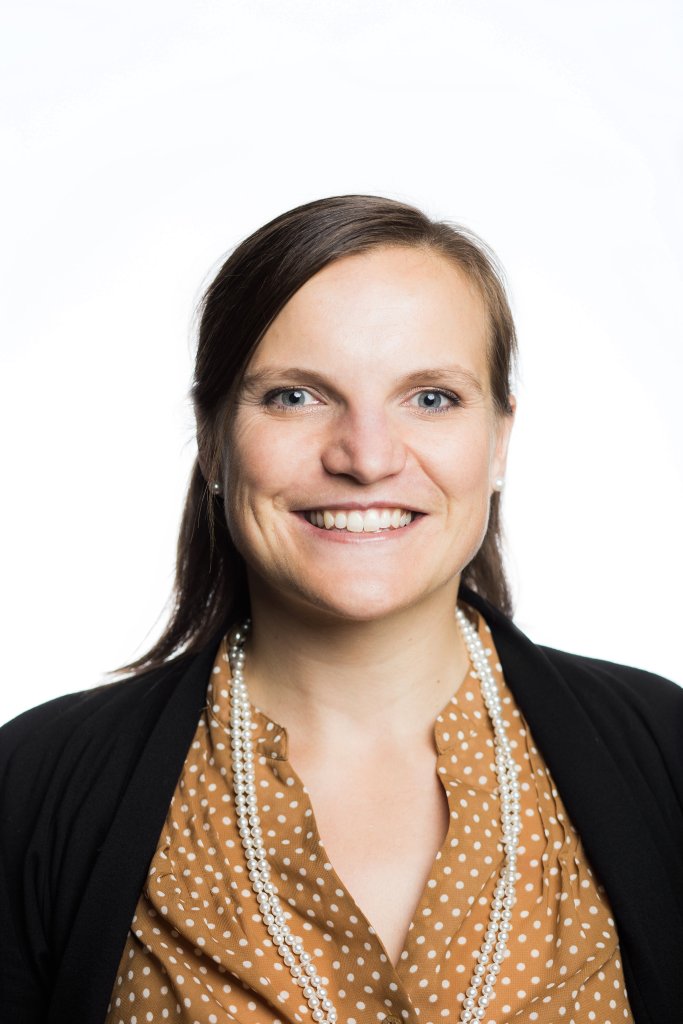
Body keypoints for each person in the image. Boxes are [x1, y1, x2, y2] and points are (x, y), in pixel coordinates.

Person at [1, 195, 681, 1024]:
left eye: (430, 398)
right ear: (212, 437)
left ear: (500, 439)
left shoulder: (666, 751)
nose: (365, 457)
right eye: (294, 396)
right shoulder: (30, 789)